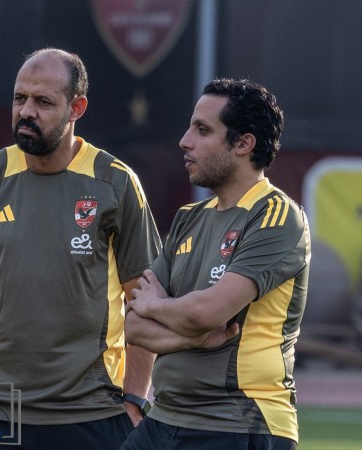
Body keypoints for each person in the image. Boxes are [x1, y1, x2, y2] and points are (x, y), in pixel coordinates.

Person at [0, 48, 161, 449]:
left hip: (92, 414)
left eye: (43, 102)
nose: (26, 111)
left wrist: (135, 399)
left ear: (76, 108)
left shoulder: (115, 183)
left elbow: (143, 303)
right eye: (19, 98)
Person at [121, 79, 310, 450]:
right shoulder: (188, 217)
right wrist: (194, 337)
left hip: (237, 424)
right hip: (164, 419)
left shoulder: (276, 216)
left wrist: (157, 305)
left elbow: (207, 312)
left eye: (202, 130)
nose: (185, 141)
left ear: (243, 144)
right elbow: (133, 325)